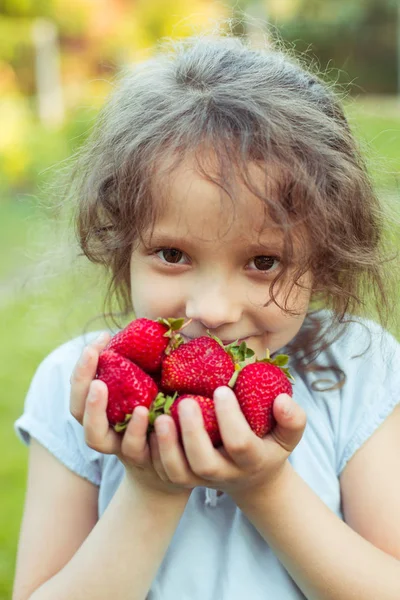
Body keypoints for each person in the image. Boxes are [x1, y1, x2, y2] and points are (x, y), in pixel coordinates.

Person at [12, 28, 400, 600]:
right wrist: (152, 488)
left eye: (264, 261)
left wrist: (265, 486)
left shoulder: (354, 371)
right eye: (173, 255)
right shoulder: (81, 384)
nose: (213, 310)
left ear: (325, 257)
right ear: (124, 245)